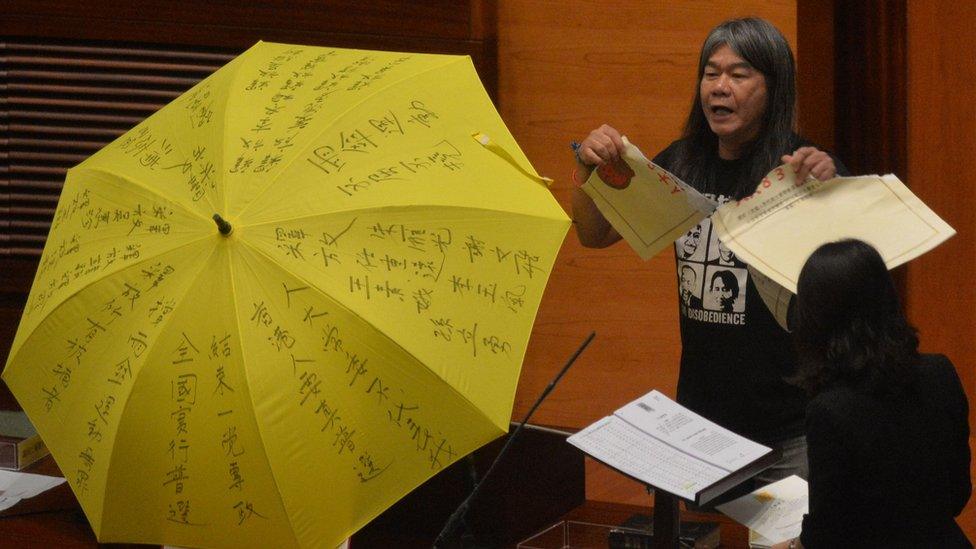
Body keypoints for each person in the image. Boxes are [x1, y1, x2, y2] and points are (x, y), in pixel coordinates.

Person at [572, 17, 849, 485]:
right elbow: (593, 234)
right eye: (710, 73)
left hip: (791, 429)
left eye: (739, 75)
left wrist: (833, 189)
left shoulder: (802, 169)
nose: (719, 88)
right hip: (701, 426)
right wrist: (587, 167)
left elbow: (852, 269)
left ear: (774, 87)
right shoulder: (679, 164)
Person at [774, 239, 971, 548]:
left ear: (816, 321)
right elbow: (958, 493)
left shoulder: (829, 411)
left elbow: (827, 535)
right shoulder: (941, 372)